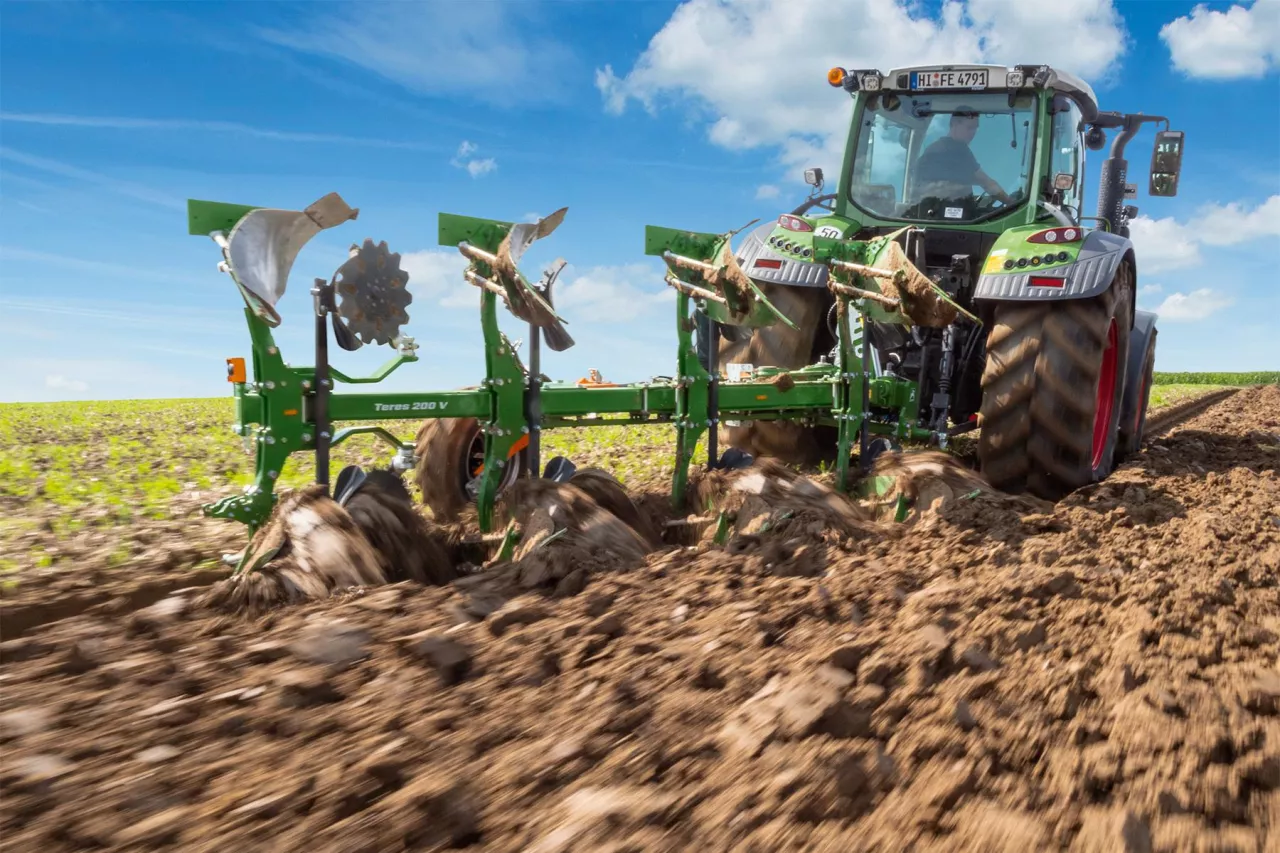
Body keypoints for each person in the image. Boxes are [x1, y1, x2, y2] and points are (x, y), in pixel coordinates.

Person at [914, 107, 1013, 205]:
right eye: (969, 128)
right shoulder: (950, 151)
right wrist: (1011, 203)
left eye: (975, 128)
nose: (973, 133)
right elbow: (986, 183)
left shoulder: (941, 149)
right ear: (954, 124)